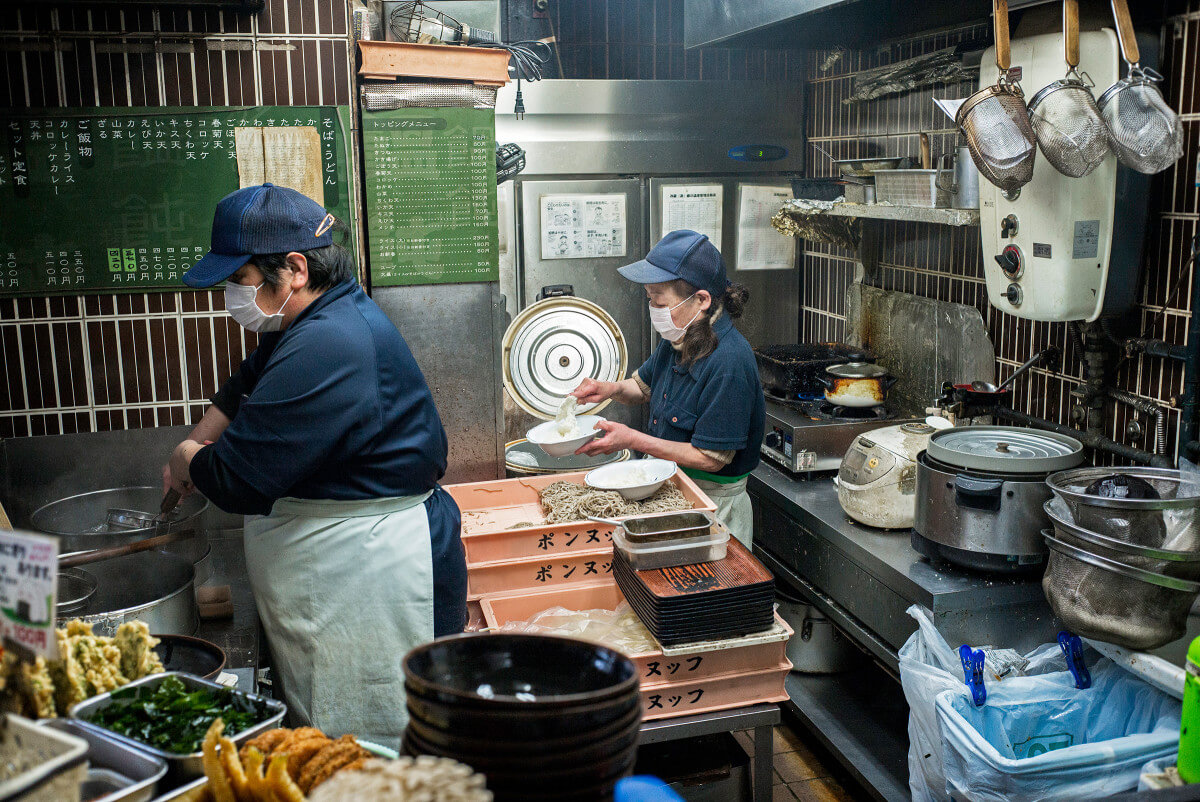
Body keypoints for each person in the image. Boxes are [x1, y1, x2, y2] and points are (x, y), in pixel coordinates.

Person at [162, 183, 466, 748]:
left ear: (295, 268)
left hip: (372, 571)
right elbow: (247, 379)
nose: (231, 295)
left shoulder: (332, 341)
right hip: (340, 565)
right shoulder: (313, 318)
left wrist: (190, 460)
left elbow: (236, 478)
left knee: (376, 745)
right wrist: (198, 436)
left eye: (239, 280)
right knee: (338, 735)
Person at [572, 230, 764, 548]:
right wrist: (609, 389)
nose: (653, 309)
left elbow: (710, 459)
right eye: (649, 299)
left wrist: (632, 439)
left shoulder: (730, 362)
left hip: (713, 505)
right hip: (667, 485)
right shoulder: (680, 336)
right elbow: (642, 387)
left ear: (701, 300)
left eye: (659, 302)